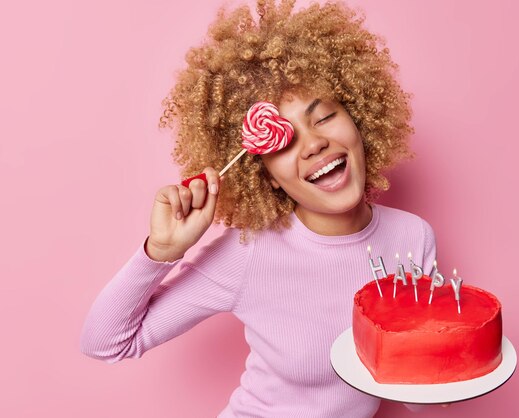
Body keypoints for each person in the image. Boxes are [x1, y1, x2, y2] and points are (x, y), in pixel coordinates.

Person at [80, 1, 437, 416]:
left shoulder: (413, 238)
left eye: (323, 117)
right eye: (283, 141)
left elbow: (415, 391)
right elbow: (105, 342)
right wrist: (160, 252)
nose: (314, 144)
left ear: (358, 120)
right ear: (266, 175)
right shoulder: (250, 253)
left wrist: (449, 377)